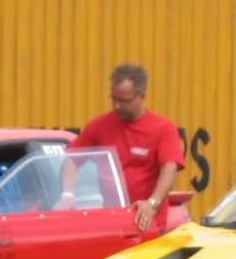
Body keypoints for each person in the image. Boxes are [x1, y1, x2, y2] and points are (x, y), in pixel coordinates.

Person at [60, 63, 184, 230]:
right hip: (113, 223)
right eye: (114, 99)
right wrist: (67, 194)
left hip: (146, 224)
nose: (117, 105)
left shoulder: (162, 128)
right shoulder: (99, 125)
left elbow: (170, 167)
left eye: (124, 101)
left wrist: (152, 203)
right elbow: (72, 159)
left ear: (142, 96)